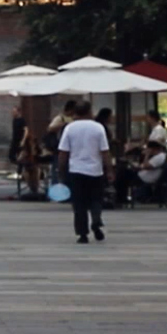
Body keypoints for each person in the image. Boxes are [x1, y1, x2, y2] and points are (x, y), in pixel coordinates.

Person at [57, 99, 112, 244]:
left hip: (76, 170)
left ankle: (82, 234)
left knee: (79, 203)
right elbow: (105, 151)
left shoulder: (69, 128)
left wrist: (61, 171)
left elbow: (63, 152)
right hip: (95, 170)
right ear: (90, 111)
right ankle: (96, 220)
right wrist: (110, 170)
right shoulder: (98, 128)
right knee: (96, 199)